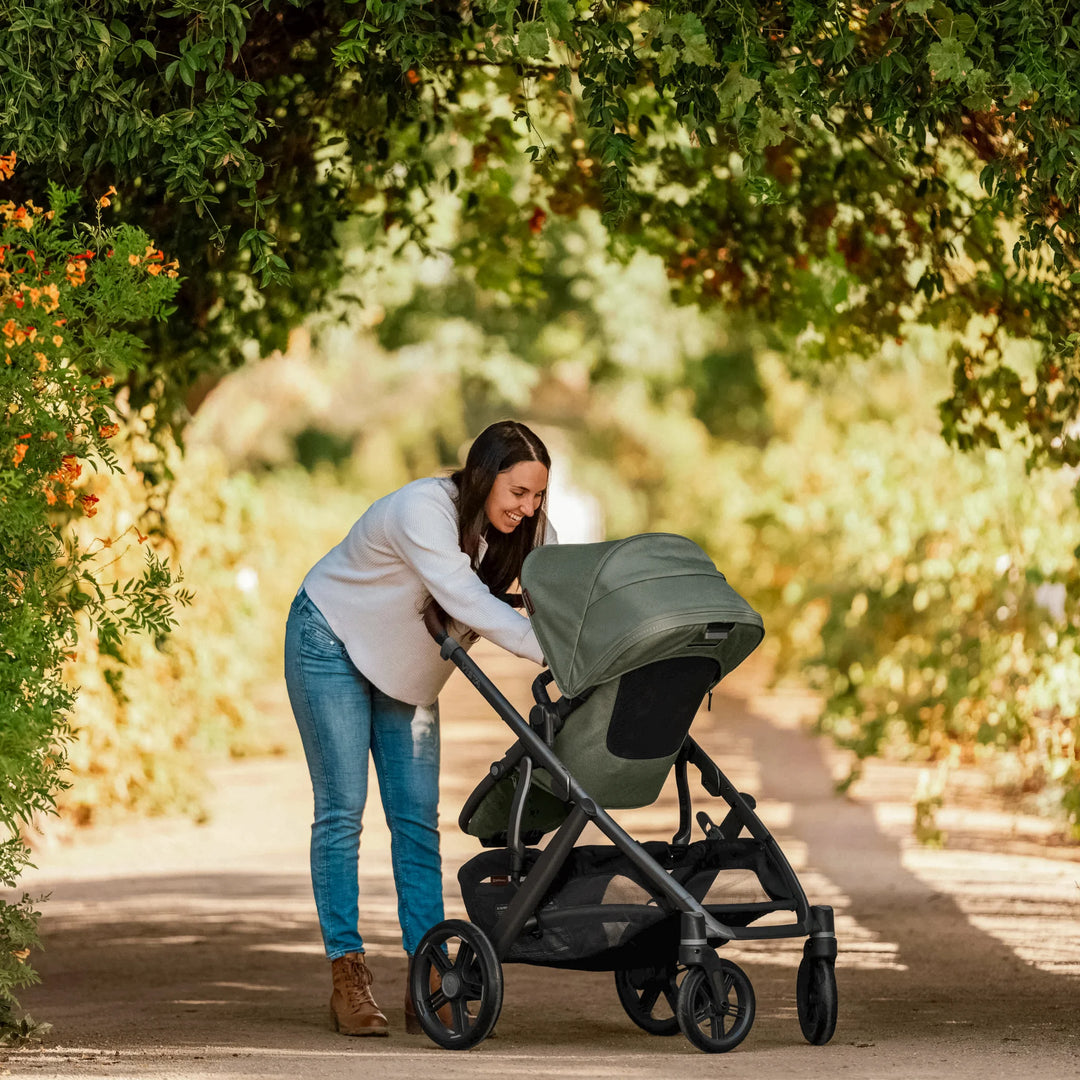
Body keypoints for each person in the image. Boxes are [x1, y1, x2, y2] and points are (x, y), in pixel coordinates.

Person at [283, 420, 555, 1036]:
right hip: (331, 640)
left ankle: (427, 975)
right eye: (517, 492)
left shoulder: (529, 528)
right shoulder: (422, 510)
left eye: (538, 495)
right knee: (342, 812)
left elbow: (559, 585)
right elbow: (468, 600)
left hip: (404, 673)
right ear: (483, 478)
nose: (528, 507)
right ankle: (347, 975)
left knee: (415, 821)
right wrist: (554, 655)